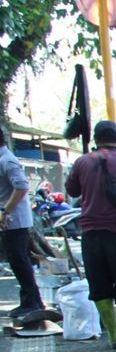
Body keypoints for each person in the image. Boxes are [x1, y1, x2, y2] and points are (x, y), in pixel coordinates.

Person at [64, 120, 116, 350]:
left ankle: (112, 336)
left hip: (91, 234)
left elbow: (71, 190)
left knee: (99, 285)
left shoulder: (82, 162)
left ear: (95, 139)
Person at [0, 126, 46, 320]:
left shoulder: (6, 160)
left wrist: (5, 211)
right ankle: (33, 301)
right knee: (18, 261)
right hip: (10, 220)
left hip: (14, 220)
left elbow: (21, 187)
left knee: (19, 261)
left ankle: (32, 302)